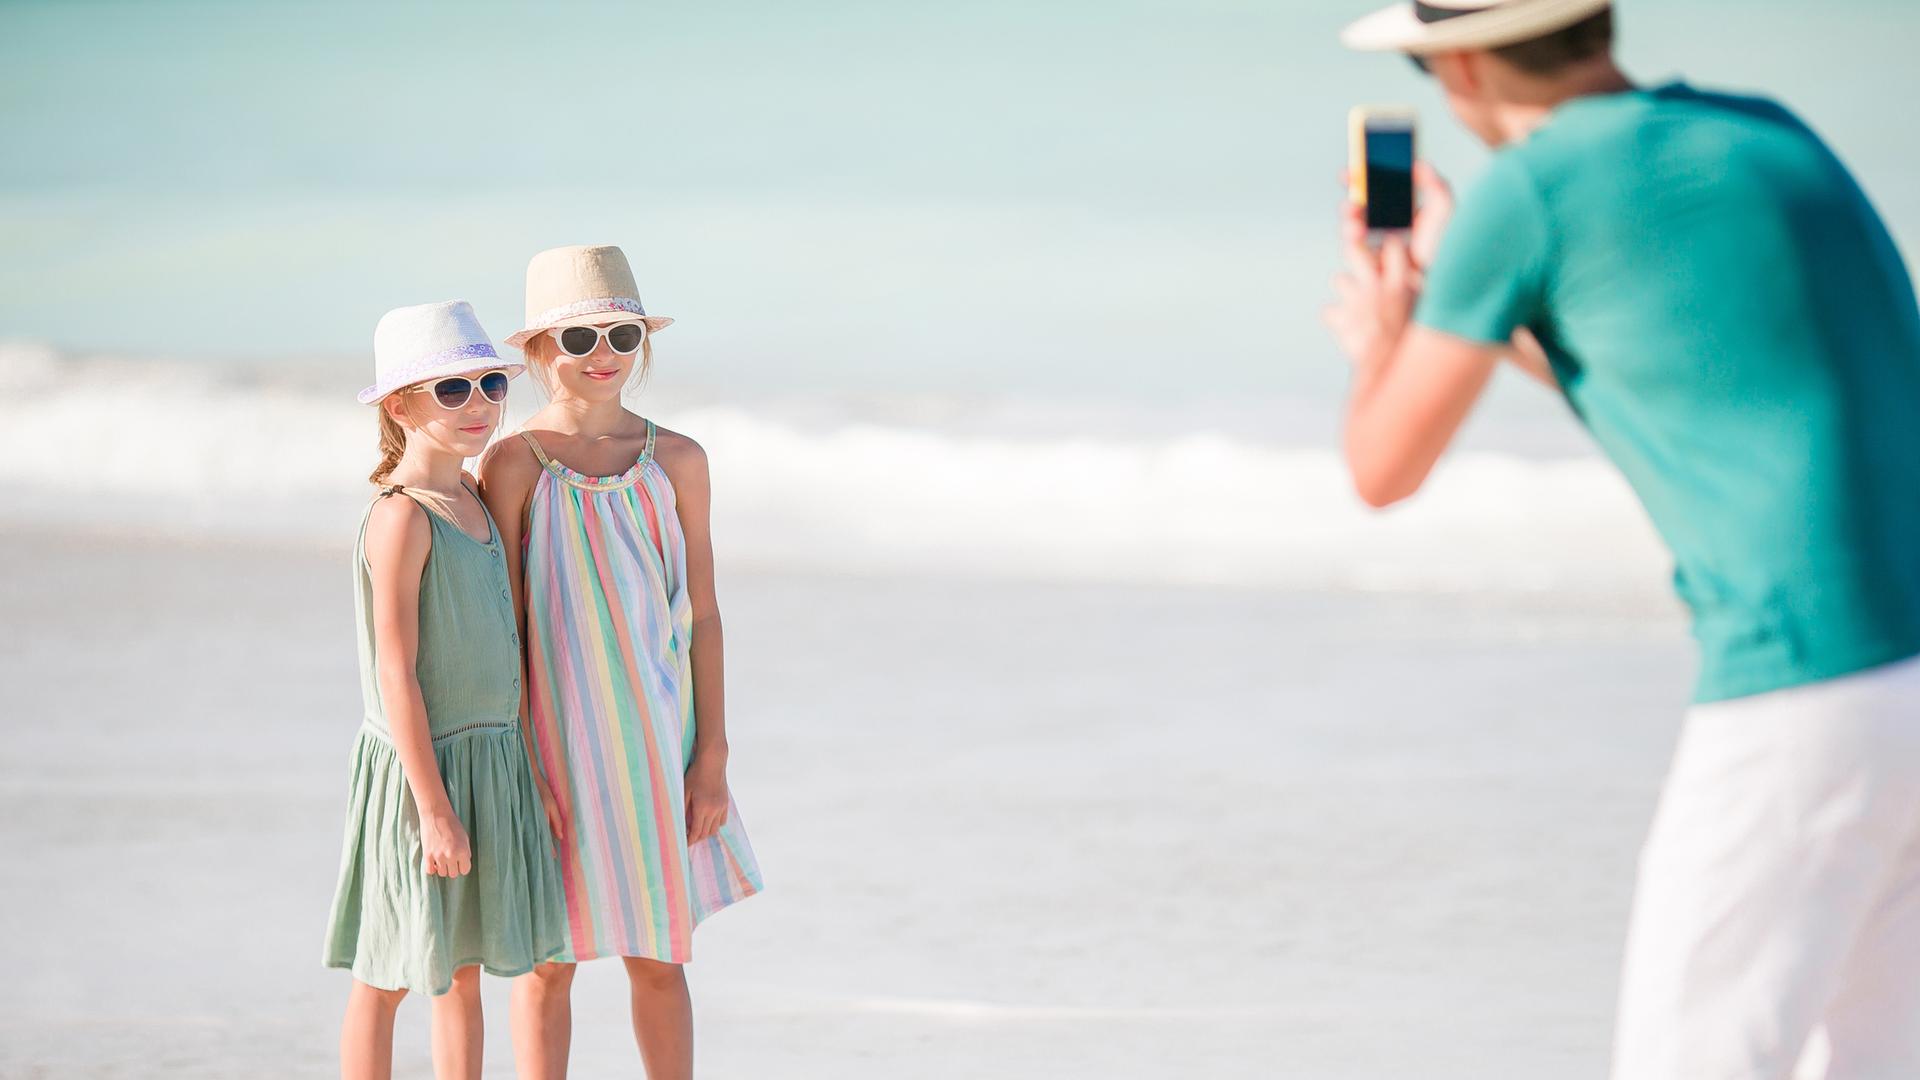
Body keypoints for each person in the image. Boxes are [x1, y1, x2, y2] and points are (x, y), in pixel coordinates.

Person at [1325, 2, 1920, 1076]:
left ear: (1459, 64)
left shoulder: (1530, 189)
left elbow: (1382, 468)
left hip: (1801, 687)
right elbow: (1679, 372)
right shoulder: (1772, 132)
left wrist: (1388, 339)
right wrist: (1491, 308)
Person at [480, 246, 763, 1080]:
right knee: (547, 959)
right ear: (537, 352)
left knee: (658, 955)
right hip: (554, 746)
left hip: (654, 743)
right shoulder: (514, 462)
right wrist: (521, 760)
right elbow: (505, 626)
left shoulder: (678, 459)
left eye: (621, 332)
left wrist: (711, 755)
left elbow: (703, 614)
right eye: (578, 336)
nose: (602, 351)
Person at [324, 300, 568, 1080]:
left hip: (491, 759)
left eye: (491, 384)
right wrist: (432, 808)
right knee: (391, 971)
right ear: (400, 405)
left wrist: (529, 763)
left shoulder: (474, 496)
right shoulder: (401, 516)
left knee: (462, 969)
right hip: (420, 769)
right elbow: (395, 670)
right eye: (452, 390)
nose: (482, 405)